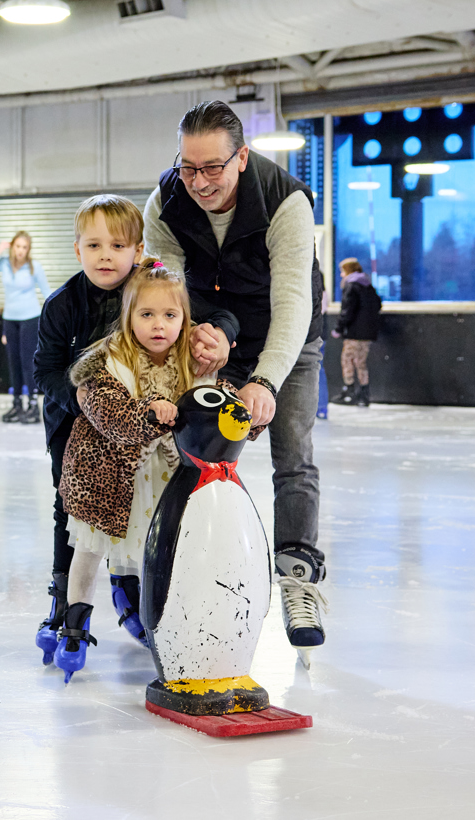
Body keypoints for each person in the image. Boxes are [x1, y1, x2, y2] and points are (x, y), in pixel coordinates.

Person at [142, 99, 330, 654]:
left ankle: (298, 579)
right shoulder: (165, 203)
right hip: (214, 333)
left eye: (213, 168)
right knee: (200, 452)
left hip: (288, 336)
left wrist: (265, 381)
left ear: (242, 158)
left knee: (291, 450)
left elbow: (293, 299)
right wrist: (207, 337)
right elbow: (167, 292)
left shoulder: (285, 200)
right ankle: (193, 578)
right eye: (188, 167)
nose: (199, 182)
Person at [31, 196, 236, 662]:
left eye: (118, 245)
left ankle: (139, 592)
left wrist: (219, 333)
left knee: (146, 513)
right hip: (77, 429)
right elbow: (44, 371)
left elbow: (215, 312)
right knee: (74, 516)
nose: (106, 255)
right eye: (94, 245)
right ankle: (63, 607)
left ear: (138, 249)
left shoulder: (154, 292)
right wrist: (79, 398)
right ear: (77, 249)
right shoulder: (62, 305)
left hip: (148, 438)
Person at [52, 264, 256, 681]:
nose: (158, 325)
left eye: (170, 315)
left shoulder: (193, 360)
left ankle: (168, 623)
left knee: (164, 553)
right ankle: (74, 624)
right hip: (107, 479)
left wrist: (244, 411)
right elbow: (107, 414)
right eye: (146, 315)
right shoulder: (105, 362)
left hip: (164, 477)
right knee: (89, 550)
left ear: (186, 319)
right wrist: (148, 413)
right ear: (128, 316)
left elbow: (216, 401)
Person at [0, 231, 51, 423]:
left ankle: (33, 407)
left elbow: (47, 292)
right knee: (14, 363)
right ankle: (17, 405)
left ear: (29, 249)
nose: (21, 251)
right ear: (12, 247)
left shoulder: (34, 266)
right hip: (10, 320)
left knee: (28, 363)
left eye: (24, 247)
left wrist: (55, 319)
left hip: (30, 318)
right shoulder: (3, 264)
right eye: (18, 246)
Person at [333, 257, 381, 407]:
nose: (341, 275)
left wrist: (339, 329)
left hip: (354, 333)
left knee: (347, 359)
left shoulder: (352, 285)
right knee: (361, 362)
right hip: (367, 333)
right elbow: (378, 304)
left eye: (342, 271)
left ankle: (349, 391)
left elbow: (347, 310)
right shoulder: (367, 285)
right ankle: (364, 394)